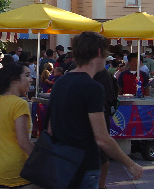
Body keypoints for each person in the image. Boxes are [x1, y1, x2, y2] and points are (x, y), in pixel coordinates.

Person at [49, 31, 143, 188]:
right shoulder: (93, 88)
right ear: (99, 52)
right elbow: (102, 138)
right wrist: (130, 163)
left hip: (62, 163)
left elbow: (51, 130)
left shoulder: (60, 83)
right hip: (85, 164)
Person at [0, 61, 36, 188]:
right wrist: (42, 161)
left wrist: (1, 154)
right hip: (17, 169)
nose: (31, 79)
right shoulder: (20, 104)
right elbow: (23, 142)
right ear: (14, 80)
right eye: (27, 75)